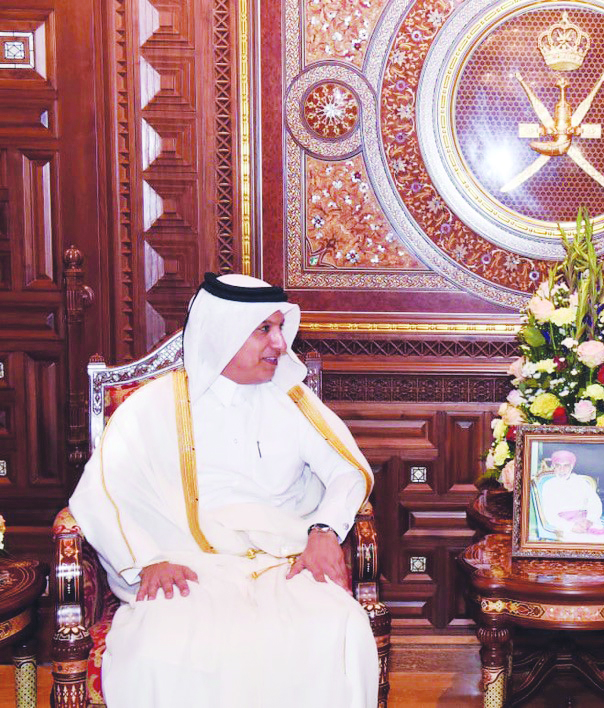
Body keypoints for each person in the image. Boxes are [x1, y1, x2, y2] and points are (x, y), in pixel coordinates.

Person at [70, 273, 379, 707]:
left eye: (280, 328)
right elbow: (100, 493)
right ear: (221, 334)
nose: (280, 344)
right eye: (264, 330)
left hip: (281, 564)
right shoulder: (151, 407)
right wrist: (145, 561)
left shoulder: (292, 400)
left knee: (338, 628)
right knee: (162, 647)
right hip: (186, 568)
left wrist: (325, 531)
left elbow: (349, 470)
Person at [536, 449, 604, 541]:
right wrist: (571, 526)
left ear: (572, 466)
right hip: (564, 526)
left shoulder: (581, 482)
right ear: (553, 466)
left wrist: (590, 520)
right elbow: (549, 514)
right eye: (558, 465)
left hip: (587, 523)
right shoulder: (549, 485)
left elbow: (595, 503)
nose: (562, 470)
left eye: (566, 466)